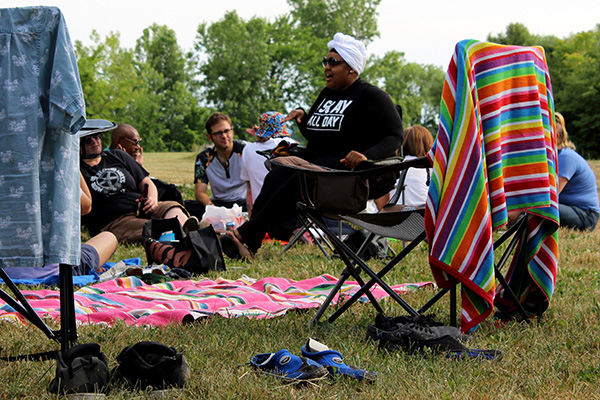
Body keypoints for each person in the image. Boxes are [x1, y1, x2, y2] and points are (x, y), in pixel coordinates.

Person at [230, 32, 403, 257]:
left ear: (351, 67)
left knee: (298, 180)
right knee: (277, 175)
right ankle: (249, 244)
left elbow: (395, 135)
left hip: (348, 174)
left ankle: (246, 234)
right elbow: (317, 137)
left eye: (333, 62)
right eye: (325, 61)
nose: (326, 67)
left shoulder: (371, 96)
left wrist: (365, 155)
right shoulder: (327, 94)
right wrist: (303, 119)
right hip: (319, 164)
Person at [80, 130, 199, 244]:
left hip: (142, 207)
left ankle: (188, 231)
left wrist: (152, 198)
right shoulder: (77, 169)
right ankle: (188, 236)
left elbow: (146, 181)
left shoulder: (117, 155)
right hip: (115, 220)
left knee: (171, 207)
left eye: (97, 137)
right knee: (151, 228)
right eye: (88, 140)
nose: (95, 141)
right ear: (78, 145)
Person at [241, 111, 295, 216]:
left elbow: (249, 188)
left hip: (261, 212)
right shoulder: (291, 145)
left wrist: (252, 219)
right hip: (288, 212)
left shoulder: (248, 149)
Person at [194, 112, 247, 210]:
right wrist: (213, 209)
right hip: (218, 203)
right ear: (209, 137)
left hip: (244, 203)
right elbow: (200, 192)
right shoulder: (204, 158)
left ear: (232, 131)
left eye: (227, 131)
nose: (224, 136)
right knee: (189, 205)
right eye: (218, 133)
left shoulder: (246, 150)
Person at [555, 112, 599, 231]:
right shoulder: (553, 157)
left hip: (585, 215)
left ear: (557, 136)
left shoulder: (565, 157)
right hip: (569, 208)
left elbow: (552, 194)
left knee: (542, 209)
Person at [387, 125, 434, 206]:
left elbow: (382, 204)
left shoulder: (392, 168)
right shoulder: (433, 169)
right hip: (424, 215)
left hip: (397, 216)